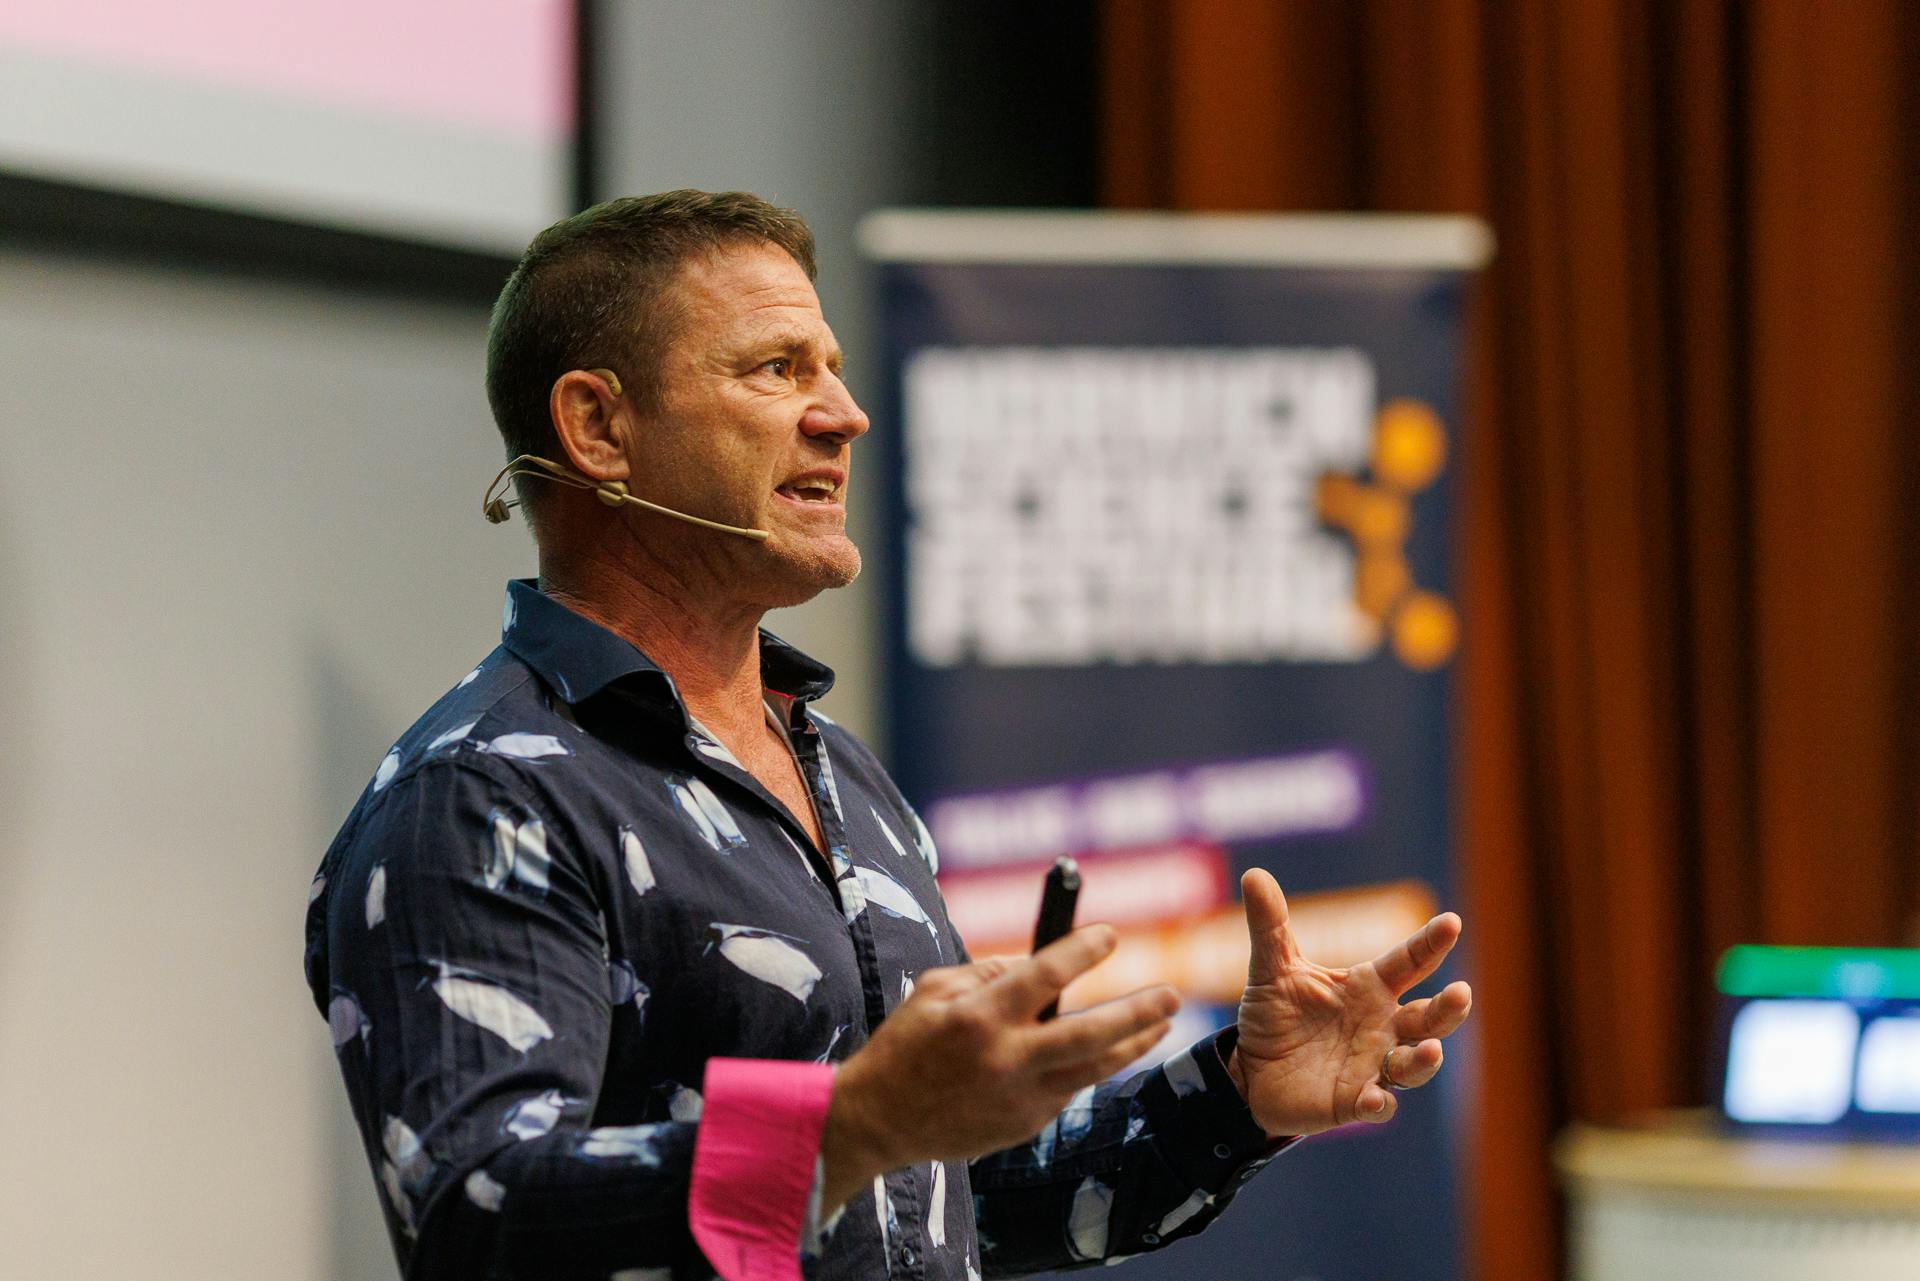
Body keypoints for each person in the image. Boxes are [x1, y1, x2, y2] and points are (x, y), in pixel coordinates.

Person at [303, 190, 1473, 1281]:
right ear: (599, 427)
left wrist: (1238, 1100)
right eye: (776, 369)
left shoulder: (838, 771)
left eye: (835, 370)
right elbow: (478, 1212)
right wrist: (854, 1125)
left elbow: (966, 1200)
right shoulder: (481, 795)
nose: (844, 414)